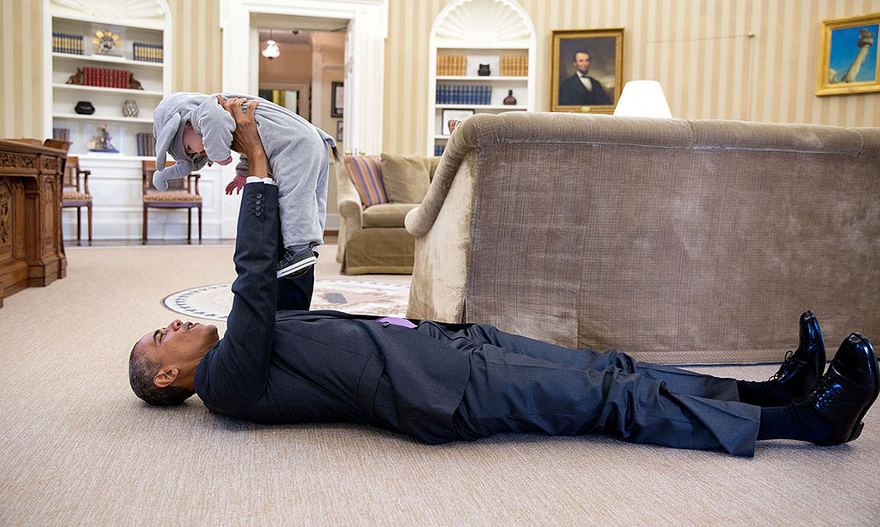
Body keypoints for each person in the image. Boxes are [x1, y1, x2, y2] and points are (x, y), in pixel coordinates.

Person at [129, 103, 879, 457]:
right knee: (607, 400)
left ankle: (769, 392)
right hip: (443, 390)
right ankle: (807, 423)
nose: (170, 326)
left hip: (446, 347)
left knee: (611, 367)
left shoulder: (248, 351)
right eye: (159, 338)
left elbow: (288, 262)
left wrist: (266, 171)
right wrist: (254, 160)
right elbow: (255, 281)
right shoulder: (226, 384)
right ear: (169, 378)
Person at [151, 93, 337, 278]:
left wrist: (220, 155)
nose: (198, 152)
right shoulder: (228, 114)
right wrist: (242, 174)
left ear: (187, 124)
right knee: (312, 196)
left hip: (294, 144)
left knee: (294, 196)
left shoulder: (206, 112)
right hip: (309, 139)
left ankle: (300, 248)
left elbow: (215, 121)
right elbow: (257, 139)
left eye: (189, 148)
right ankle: (310, 247)